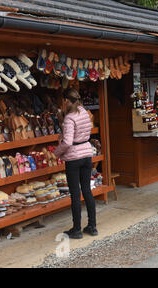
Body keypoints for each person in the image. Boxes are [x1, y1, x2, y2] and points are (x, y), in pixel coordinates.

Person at [54, 88, 97, 239]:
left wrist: (57, 153)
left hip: (73, 157)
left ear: (67, 100)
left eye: (64, 100)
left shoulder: (70, 118)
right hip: (86, 153)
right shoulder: (84, 112)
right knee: (87, 190)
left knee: (75, 194)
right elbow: (88, 129)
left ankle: (77, 229)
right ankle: (92, 226)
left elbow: (67, 142)